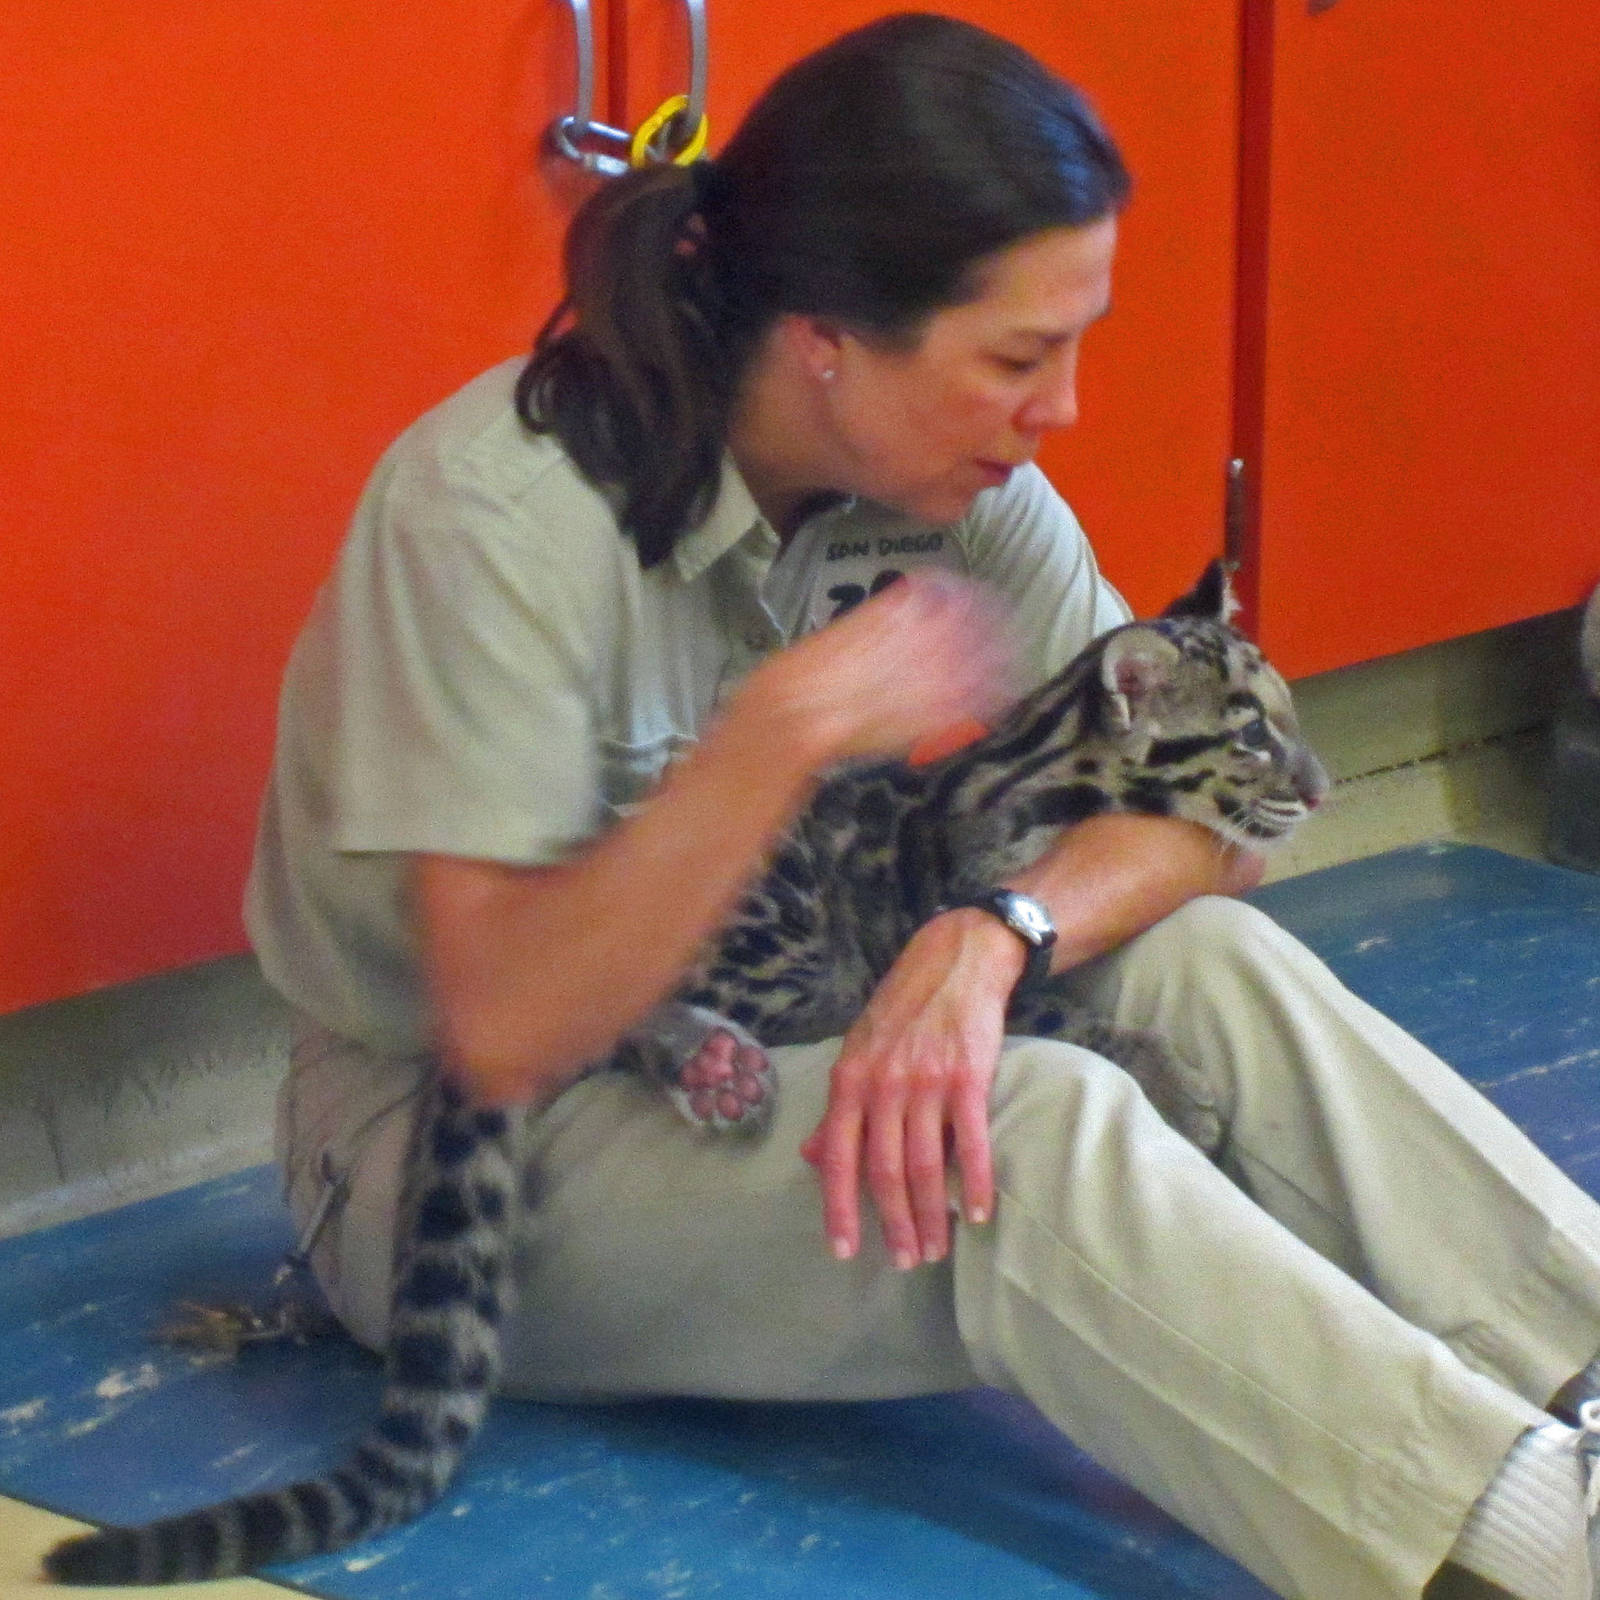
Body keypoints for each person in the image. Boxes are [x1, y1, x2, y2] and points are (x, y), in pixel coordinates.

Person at [245, 14, 1600, 1599]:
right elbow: (499, 1023)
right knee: (1025, 1136)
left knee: (1201, 975)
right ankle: (1538, 1553)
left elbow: (1214, 819)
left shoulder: (968, 490)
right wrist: (777, 740)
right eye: (1019, 358)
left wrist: (1000, 929)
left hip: (777, 1032)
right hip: (455, 1152)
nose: (1064, 408)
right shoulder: (498, 523)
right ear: (826, 339)